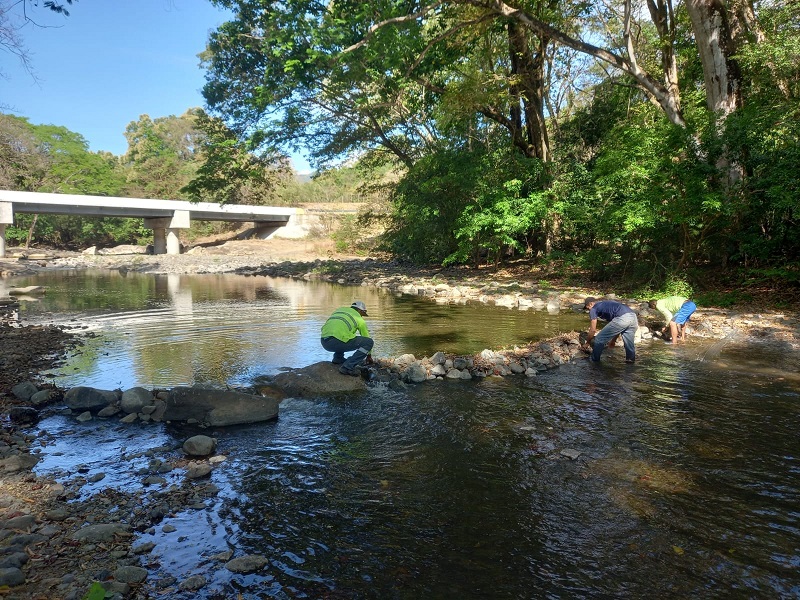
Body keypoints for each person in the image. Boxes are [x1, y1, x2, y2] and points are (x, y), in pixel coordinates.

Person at [321, 301, 374, 376]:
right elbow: (366, 337)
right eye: (363, 314)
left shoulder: (340, 310)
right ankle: (348, 367)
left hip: (324, 341)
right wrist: (369, 356)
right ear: (361, 310)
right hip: (337, 341)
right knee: (368, 342)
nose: (362, 316)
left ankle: (338, 358)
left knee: (344, 335)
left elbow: (336, 327)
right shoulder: (359, 319)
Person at [583, 297, 638, 363]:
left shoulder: (593, 309)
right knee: (629, 344)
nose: (588, 310)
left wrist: (587, 342)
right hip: (633, 317)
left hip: (623, 318)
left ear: (591, 304)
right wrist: (613, 341)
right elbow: (617, 327)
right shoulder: (606, 304)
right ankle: (630, 363)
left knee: (599, 339)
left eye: (587, 308)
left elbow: (593, 330)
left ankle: (594, 362)